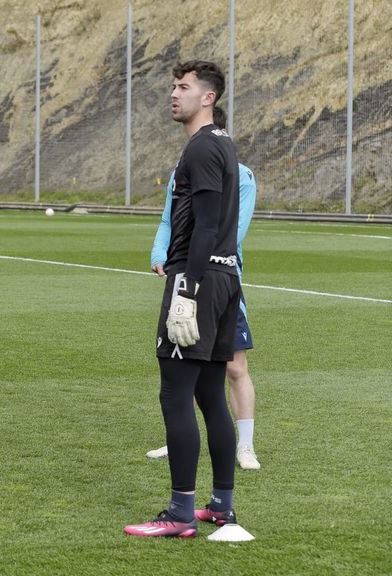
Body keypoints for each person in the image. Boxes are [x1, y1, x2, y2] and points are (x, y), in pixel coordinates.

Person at [125, 60, 242, 538]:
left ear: (208, 97)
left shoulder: (202, 147)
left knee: (175, 394)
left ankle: (179, 513)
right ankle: (221, 506)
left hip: (199, 279)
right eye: (174, 86)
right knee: (210, 394)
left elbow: (207, 225)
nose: (174, 94)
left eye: (184, 87)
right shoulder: (223, 143)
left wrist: (186, 289)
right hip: (225, 278)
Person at [145, 106, 261, 471]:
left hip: (218, 280)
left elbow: (232, 230)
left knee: (235, 366)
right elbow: (169, 218)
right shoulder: (182, 170)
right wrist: (160, 252)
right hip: (187, 274)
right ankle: (180, 437)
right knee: (187, 368)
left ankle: (245, 446)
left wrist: (201, 262)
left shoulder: (242, 176)